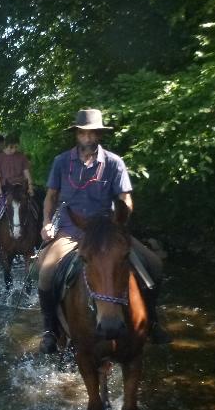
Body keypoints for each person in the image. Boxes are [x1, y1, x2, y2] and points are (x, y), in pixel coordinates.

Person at [36, 109, 172, 353]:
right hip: (71, 230)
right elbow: (51, 197)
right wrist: (47, 221)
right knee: (45, 272)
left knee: (154, 263)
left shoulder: (114, 163)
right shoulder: (61, 162)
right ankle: (50, 330)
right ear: (77, 134)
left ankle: (151, 321)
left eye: (92, 133)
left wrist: (122, 216)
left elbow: (125, 198)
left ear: (99, 134)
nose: (88, 138)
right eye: (83, 133)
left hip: (107, 233)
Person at [0, 134, 35, 252]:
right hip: (5, 189)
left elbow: (27, 174)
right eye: (11, 147)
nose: (14, 150)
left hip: (21, 188)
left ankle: (40, 239)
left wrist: (30, 187)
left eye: (15, 147)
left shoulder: (22, 157)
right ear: (6, 146)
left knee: (39, 202)